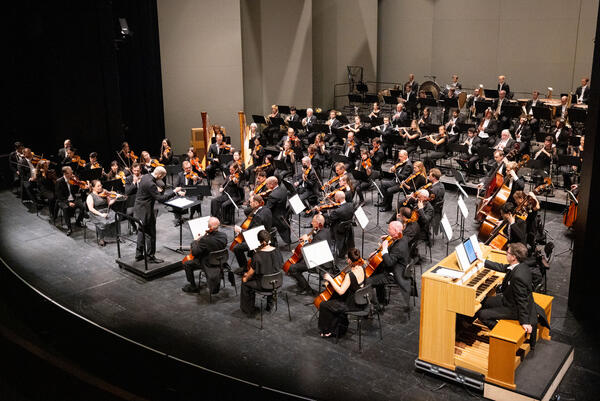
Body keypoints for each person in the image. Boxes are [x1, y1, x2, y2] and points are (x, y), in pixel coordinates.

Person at [476, 243, 549, 337]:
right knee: (484, 302)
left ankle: (502, 333)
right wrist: (483, 261)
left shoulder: (518, 277)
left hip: (514, 309)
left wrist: (525, 322)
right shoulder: (520, 265)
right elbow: (502, 267)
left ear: (514, 257)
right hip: (508, 300)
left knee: (482, 314)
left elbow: (522, 300)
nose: (506, 254)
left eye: (508, 253)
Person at [134, 166, 183, 263]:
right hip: (145, 212)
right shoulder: (151, 184)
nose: (161, 179)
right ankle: (150, 257)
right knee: (151, 234)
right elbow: (161, 199)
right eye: (162, 177)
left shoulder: (145, 177)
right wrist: (174, 192)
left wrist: (156, 189)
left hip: (138, 209)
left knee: (141, 231)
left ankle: (138, 255)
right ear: (159, 175)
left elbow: (150, 188)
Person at [318, 248, 366, 338]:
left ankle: (328, 330)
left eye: (347, 258)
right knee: (333, 301)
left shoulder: (350, 275)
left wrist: (330, 280)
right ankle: (337, 327)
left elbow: (341, 291)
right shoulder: (362, 267)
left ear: (349, 260)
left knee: (324, 304)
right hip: (361, 300)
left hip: (352, 304)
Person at [367, 221, 411, 313]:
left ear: (395, 231)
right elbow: (395, 241)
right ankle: (382, 300)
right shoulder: (403, 237)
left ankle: (377, 306)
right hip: (395, 268)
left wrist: (384, 250)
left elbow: (389, 263)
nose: (387, 230)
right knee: (375, 272)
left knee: (367, 282)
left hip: (393, 274)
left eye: (389, 229)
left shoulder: (399, 247)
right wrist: (389, 238)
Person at [240, 230, 283, 315]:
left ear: (260, 241)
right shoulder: (277, 251)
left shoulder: (257, 256)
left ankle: (248, 309)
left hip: (264, 285)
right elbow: (280, 265)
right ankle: (270, 304)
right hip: (277, 282)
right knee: (270, 274)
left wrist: (245, 277)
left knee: (245, 283)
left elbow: (250, 273)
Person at [287, 214, 331, 295]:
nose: (311, 223)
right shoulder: (326, 231)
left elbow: (310, 252)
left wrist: (306, 241)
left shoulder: (319, 236)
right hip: (325, 257)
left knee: (292, 268)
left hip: (319, 263)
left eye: (313, 222)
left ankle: (306, 289)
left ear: (318, 224)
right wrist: (310, 239)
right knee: (298, 262)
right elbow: (317, 244)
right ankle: (301, 283)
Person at [182, 217, 228, 293]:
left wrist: (195, 241)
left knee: (186, 264)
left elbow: (195, 252)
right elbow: (214, 243)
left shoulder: (205, 240)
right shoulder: (223, 235)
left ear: (210, 227)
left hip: (208, 263)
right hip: (220, 261)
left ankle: (193, 287)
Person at [232, 194, 273, 272]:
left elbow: (253, 234)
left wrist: (240, 230)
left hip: (259, 240)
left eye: (250, 202)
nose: (249, 204)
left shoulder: (258, 216)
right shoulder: (266, 209)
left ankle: (244, 268)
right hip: (267, 235)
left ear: (256, 203)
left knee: (236, 248)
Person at [55, 166, 87, 236]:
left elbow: (75, 191)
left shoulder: (72, 180)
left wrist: (79, 185)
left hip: (73, 199)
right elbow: (59, 196)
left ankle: (78, 222)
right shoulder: (59, 181)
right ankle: (69, 228)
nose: (72, 174)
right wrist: (68, 202)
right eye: (70, 173)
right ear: (65, 174)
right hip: (63, 200)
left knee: (83, 206)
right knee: (65, 208)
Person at [86, 180, 117, 247]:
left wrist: (115, 198)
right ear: (93, 188)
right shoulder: (90, 196)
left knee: (116, 217)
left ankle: (115, 236)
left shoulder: (104, 193)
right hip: (96, 213)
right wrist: (101, 214)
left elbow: (109, 203)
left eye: (101, 185)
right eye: (98, 186)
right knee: (103, 221)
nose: (100, 187)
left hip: (106, 210)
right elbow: (91, 209)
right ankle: (101, 238)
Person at [327, 191, 354, 258]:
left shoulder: (337, 211)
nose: (335, 200)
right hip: (348, 227)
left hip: (339, 229)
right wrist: (331, 202)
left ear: (337, 199)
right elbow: (342, 207)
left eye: (335, 198)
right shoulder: (351, 205)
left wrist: (320, 214)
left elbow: (329, 221)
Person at [265, 176, 291, 244]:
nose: (266, 186)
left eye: (267, 184)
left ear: (272, 184)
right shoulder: (283, 189)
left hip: (276, 218)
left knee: (261, 220)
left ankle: (272, 241)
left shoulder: (273, 195)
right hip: (283, 214)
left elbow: (267, 209)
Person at [428, 168, 445, 236]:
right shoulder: (441, 185)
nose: (428, 176)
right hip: (438, 208)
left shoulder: (433, 190)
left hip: (432, 209)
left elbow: (429, 200)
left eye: (430, 176)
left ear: (434, 177)